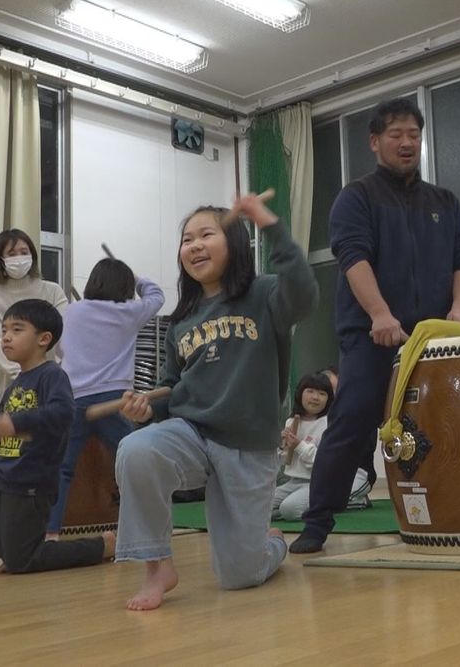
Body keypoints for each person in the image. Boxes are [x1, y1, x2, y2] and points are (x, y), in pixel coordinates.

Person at [291, 98, 460, 554]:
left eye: (414, 134)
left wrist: (459, 309)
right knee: (351, 422)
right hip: (371, 333)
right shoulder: (357, 197)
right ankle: (317, 524)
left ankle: (451, 511)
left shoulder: (445, 202)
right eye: (396, 134)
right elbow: (353, 256)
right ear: (375, 142)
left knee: (442, 425)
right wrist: (379, 314)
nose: (407, 142)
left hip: (434, 337)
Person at [114, 194, 317, 611]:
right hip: (192, 434)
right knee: (136, 449)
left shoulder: (265, 294)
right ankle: (158, 569)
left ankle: (270, 544)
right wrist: (147, 410)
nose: (194, 245)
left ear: (235, 244)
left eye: (207, 234)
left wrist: (269, 224)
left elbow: (305, 294)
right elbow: (171, 389)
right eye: (187, 239)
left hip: (248, 446)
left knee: (239, 577)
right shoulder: (181, 321)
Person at [0, 299, 113, 572]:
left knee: (22, 562)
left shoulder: (52, 376)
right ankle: (15, 547)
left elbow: (64, 413)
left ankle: (101, 546)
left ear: (44, 339)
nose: (5, 337)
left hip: (28, 487)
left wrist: (16, 422)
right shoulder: (14, 386)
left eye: (16, 330)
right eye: (4, 330)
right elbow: (6, 447)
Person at [45, 259, 165, 538]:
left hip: (73, 399)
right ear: (124, 286)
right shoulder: (129, 312)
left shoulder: (70, 312)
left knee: (62, 469)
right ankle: (141, 531)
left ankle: (50, 533)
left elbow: (61, 350)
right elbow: (157, 296)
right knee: (129, 464)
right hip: (116, 400)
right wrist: (137, 276)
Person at [271, 372, 370, 520]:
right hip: (293, 482)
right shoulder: (291, 422)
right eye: (310, 391)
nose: (315, 397)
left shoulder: (329, 424)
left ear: (329, 399)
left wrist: (298, 444)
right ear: (300, 394)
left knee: (289, 509)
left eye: (322, 393)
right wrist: (281, 446)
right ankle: (304, 508)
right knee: (263, 505)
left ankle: (345, 502)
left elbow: (324, 463)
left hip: (318, 484)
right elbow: (286, 461)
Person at [0, 230, 68, 387]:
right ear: (0, 261)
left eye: (24, 252)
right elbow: (1, 346)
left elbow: (66, 337)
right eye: (12, 254)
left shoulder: (53, 291)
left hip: (55, 381)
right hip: (17, 386)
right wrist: (30, 379)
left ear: (32, 256)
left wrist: (56, 375)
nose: (19, 258)